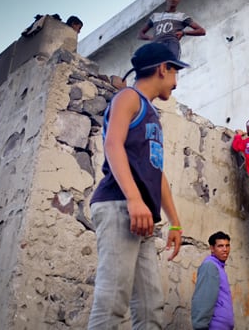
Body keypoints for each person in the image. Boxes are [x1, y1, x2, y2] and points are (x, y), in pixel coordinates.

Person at [87, 42, 190, 329]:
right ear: (162, 69)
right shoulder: (128, 98)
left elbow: (157, 173)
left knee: (149, 308)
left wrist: (175, 223)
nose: (176, 83)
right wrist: (133, 199)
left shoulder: (153, 114)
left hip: (143, 217)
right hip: (119, 205)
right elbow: (112, 144)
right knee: (112, 303)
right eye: (175, 73)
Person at [138, 0, 206, 59]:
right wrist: (151, 38)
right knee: (155, 68)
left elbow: (202, 31)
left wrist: (184, 33)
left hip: (171, 45)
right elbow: (140, 34)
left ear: (179, 0)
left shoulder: (182, 16)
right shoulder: (155, 16)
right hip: (156, 46)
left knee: (170, 66)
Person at [191, 231, 235, 330]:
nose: (225, 249)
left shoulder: (219, 267)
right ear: (212, 248)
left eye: (227, 246)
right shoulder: (210, 266)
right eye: (220, 246)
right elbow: (204, 298)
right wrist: (200, 326)